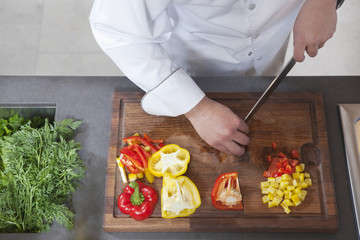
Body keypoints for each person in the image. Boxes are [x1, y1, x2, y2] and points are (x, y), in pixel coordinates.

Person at [89, 0, 341, 156]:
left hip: (277, 32)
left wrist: (323, 2)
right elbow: (118, 31)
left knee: (266, 72)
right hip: (199, 54)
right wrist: (197, 109)